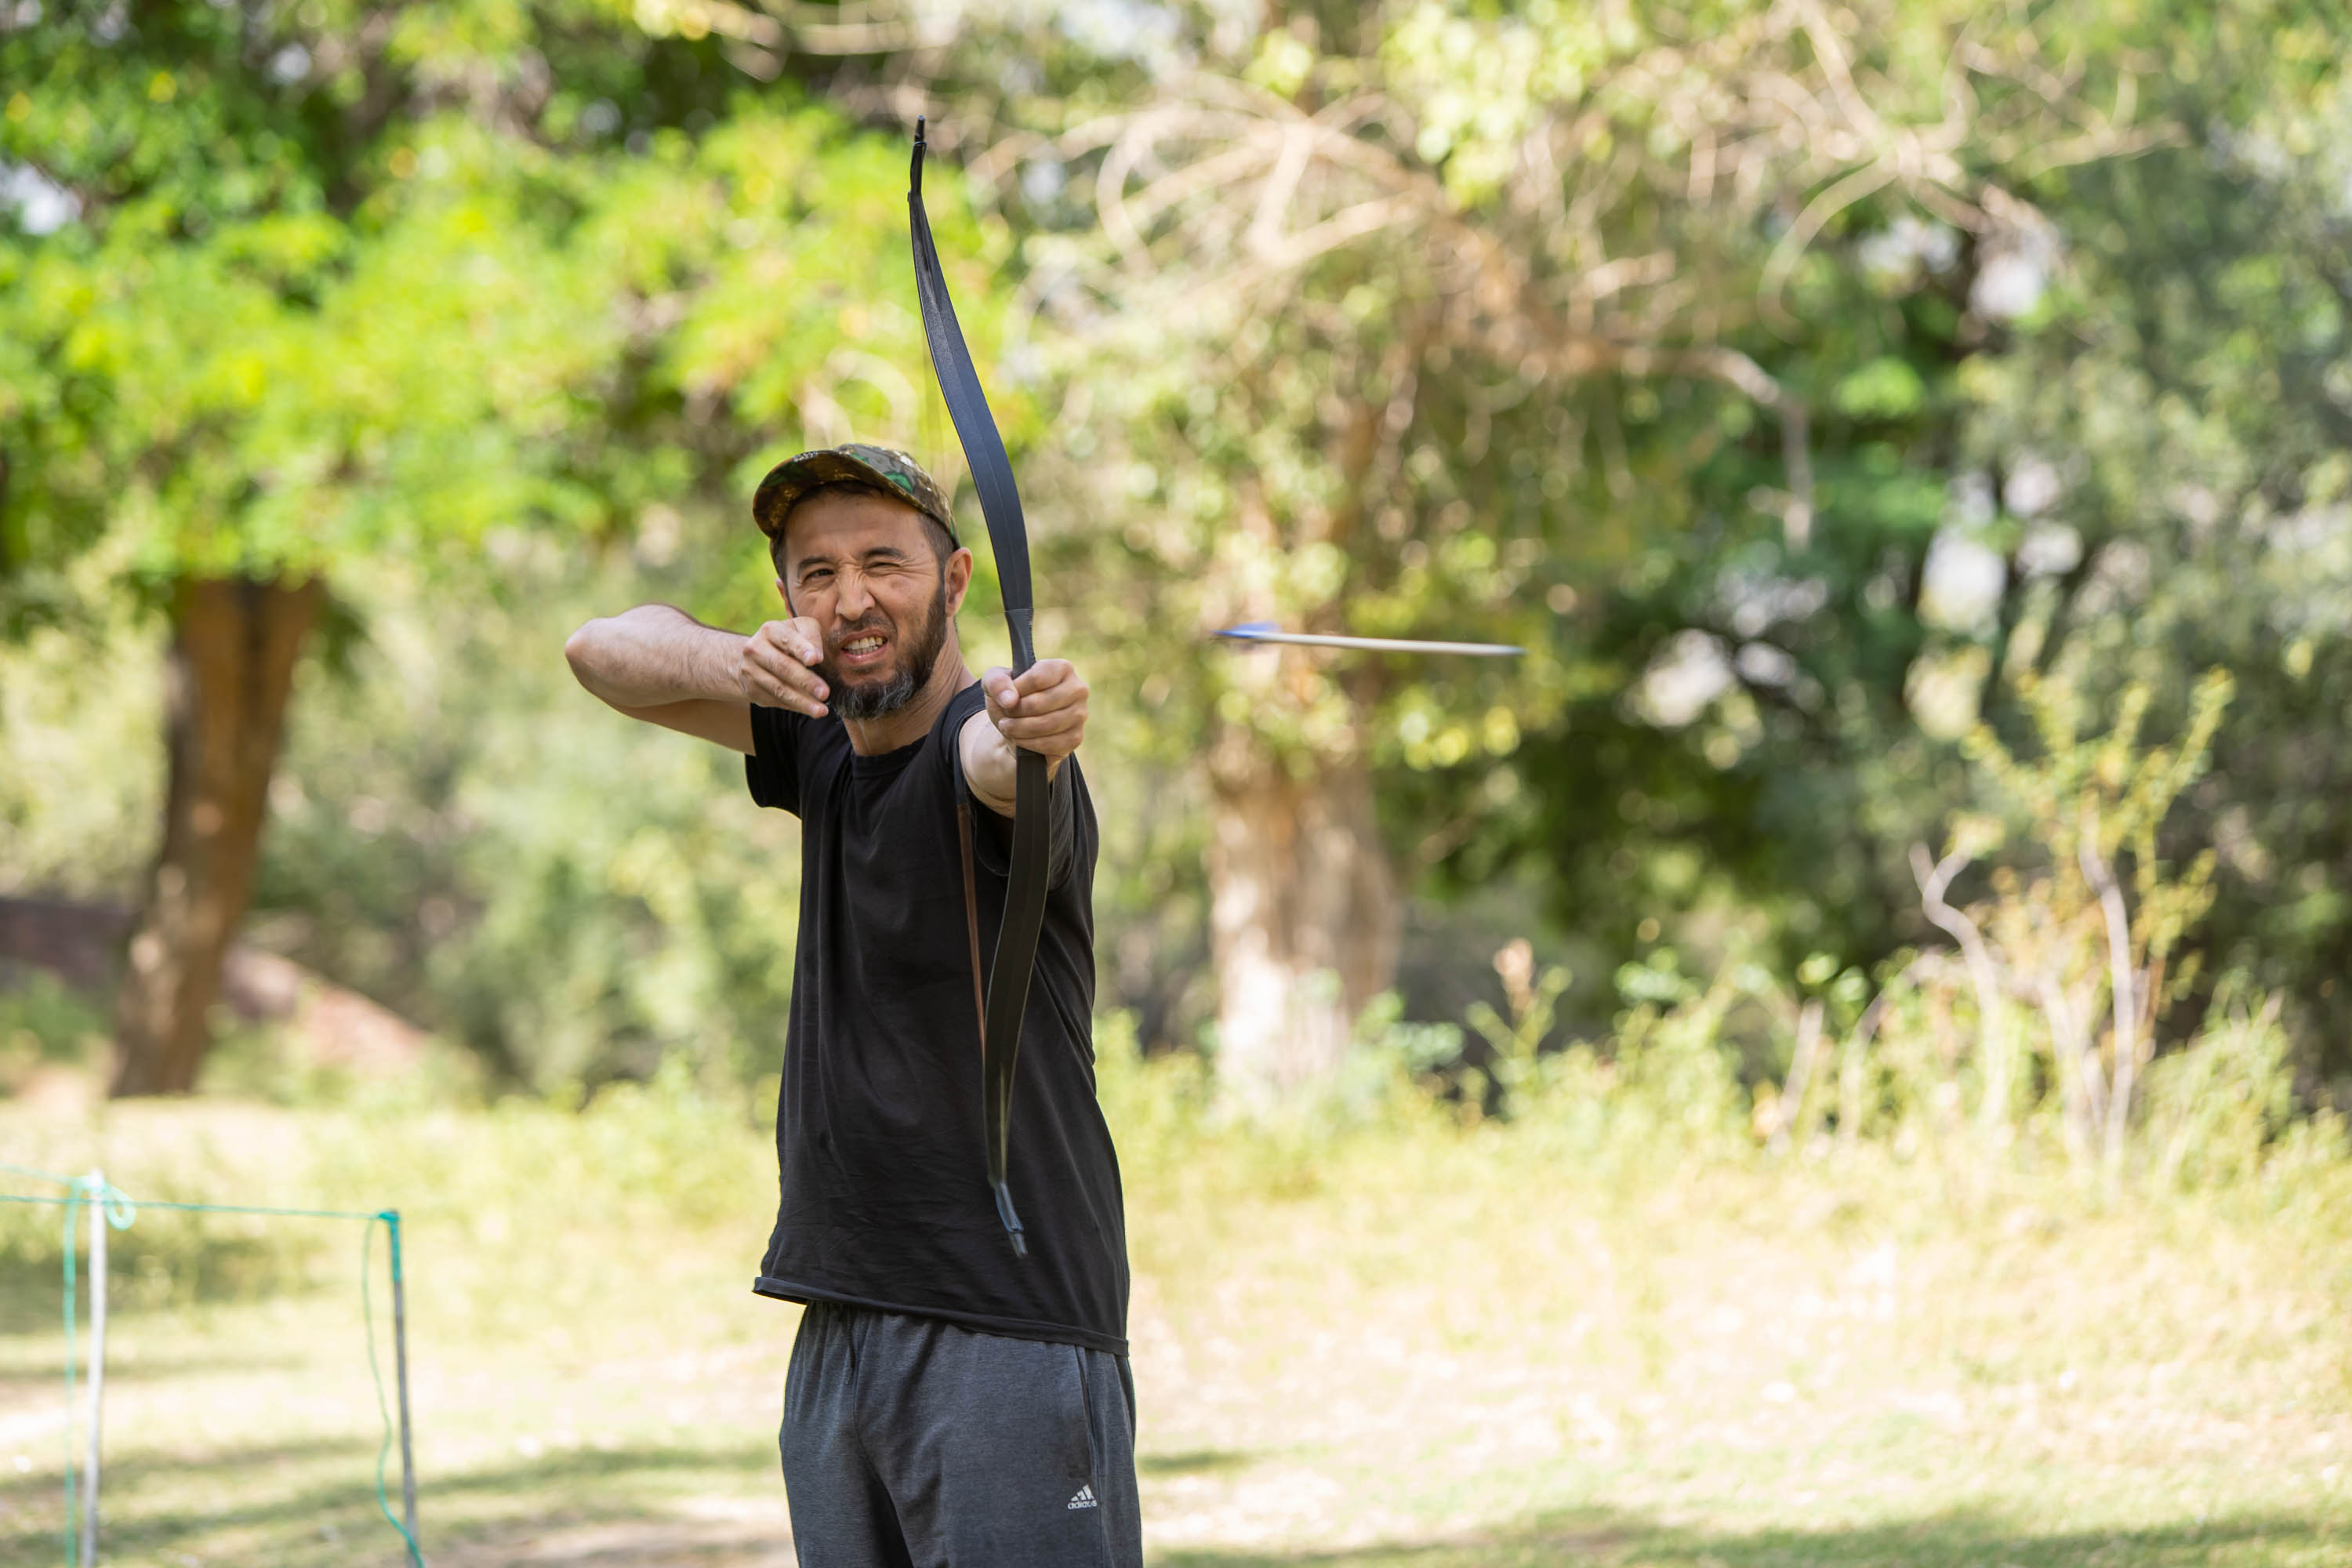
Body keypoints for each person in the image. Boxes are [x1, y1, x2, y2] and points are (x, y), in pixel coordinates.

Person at [564, 443, 1139, 1567]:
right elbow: (598, 652)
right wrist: (739, 662)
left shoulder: (988, 750)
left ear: (959, 580)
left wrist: (1029, 733)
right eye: (815, 574)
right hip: (839, 1316)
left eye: (886, 562)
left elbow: (988, 758)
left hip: (1006, 1326)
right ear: (788, 599)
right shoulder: (816, 741)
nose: (851, 598)